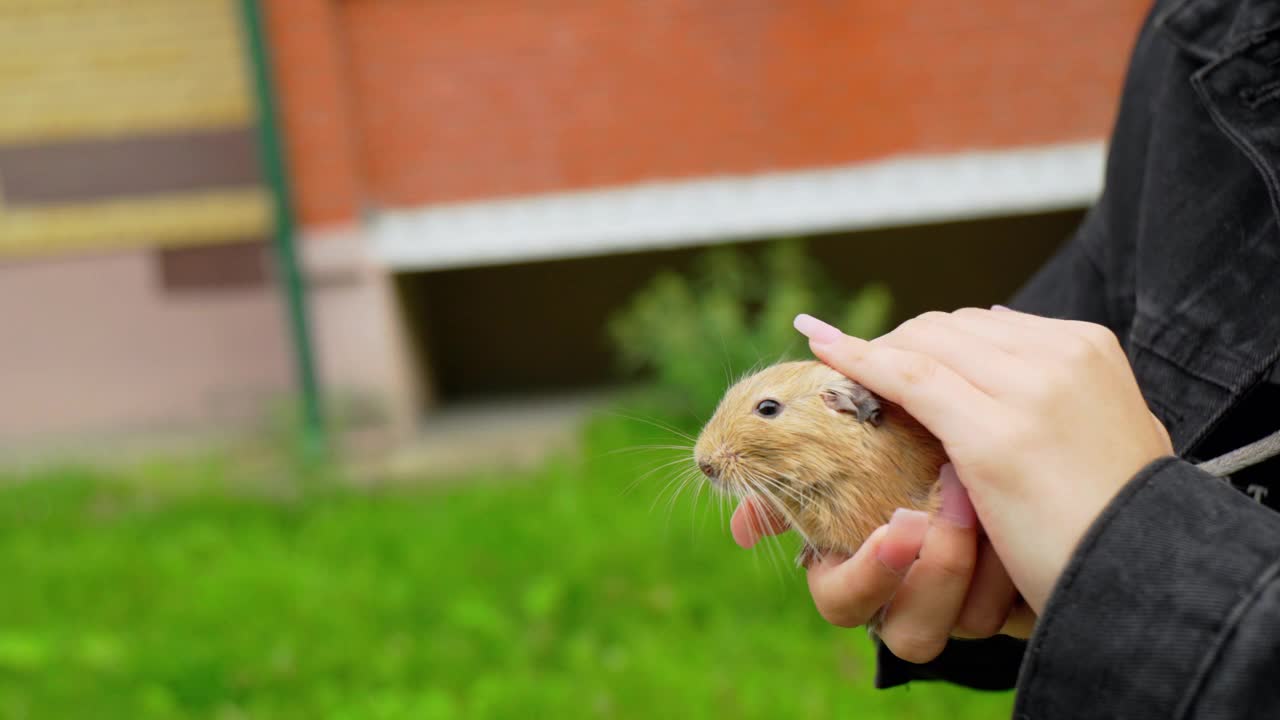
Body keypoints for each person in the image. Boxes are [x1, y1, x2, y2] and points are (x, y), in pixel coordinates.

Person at [730, 0, 1280, 715]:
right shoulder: (1207, 21)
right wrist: (1026, 573)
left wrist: (1132, 559)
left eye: (768, 410)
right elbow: (1104, 283)